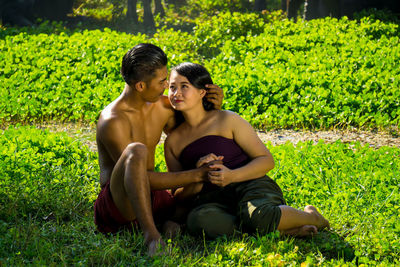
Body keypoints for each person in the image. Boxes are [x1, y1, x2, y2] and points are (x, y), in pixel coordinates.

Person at [164, 62, 330, 238]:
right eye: (172, 87)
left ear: (202, 92)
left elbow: (266, 160)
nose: (177, 93)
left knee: (257, 215)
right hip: (212, 200)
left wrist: (231, 176)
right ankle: (283, 231)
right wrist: (198, 176)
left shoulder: (227, 120)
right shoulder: (173, 143)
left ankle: (312, 217)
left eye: (184, 86)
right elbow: (178, 195)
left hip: (251, 186)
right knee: (198, 221)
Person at [93, 44, 224, 256]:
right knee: (136, 151)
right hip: (120, 206)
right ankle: (151, 236)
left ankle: (173, 221)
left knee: (199, 175)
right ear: (141, 86)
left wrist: (210, 106)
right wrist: (194, 175)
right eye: (162, 82)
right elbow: (138, 177)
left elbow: (193, 131)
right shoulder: (112, 120)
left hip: (155, 198)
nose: (167, 86)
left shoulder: (163, 107)